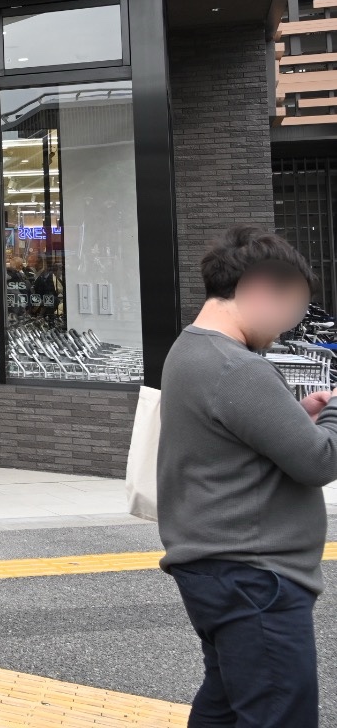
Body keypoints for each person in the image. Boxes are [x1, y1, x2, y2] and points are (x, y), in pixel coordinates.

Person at [157, 227, 337, 728]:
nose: (286, 327)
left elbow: (231, 440)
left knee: (225, 705)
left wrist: (296, 416)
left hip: (214, 566)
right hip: (256, 575)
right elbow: (319, 462)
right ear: (258, 289)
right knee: (278, 712)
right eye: (290, 307)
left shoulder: (189, 349)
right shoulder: (237, 367)